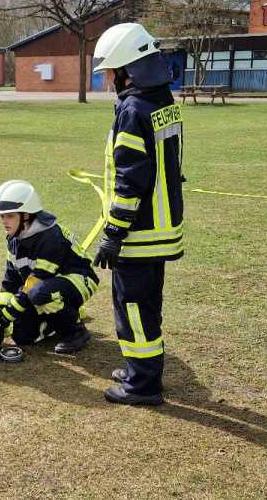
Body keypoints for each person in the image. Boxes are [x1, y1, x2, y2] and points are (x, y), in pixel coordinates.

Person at [89, 23, 185, 406]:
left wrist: (113, 233)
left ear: (127, 70)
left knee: (133, 309)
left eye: (109, 72)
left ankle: (142, 385)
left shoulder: (132, 111)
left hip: (139, 235)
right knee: (148, 306)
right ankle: (139, 368)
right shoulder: (162, 104)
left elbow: (130, 181)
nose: (106, 80)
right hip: (162, 229)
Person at [0, 180, 98, 354]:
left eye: (10, 216)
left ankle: (75, 331)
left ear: (26, 215)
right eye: (2, 216)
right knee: (23, 337)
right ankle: (58, 319)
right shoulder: (14, 239)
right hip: (40, 287)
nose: (4, 222)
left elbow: (35, 282)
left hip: (80, 279)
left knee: (40, 293)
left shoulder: (50, 238)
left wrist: (5, 317)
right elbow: (10, 283)